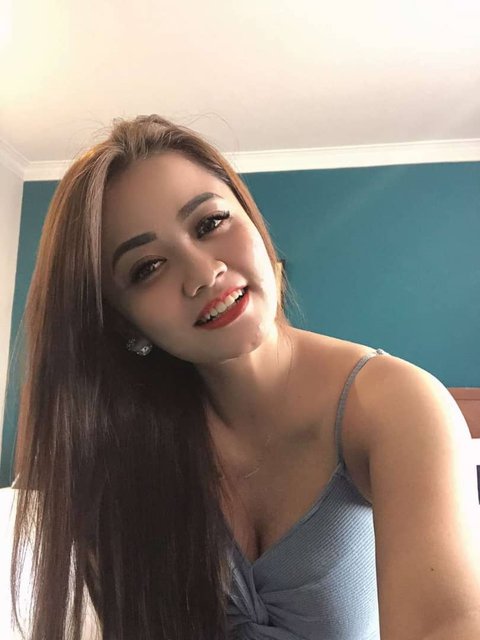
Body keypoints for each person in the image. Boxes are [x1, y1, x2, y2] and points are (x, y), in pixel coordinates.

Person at [10, 115, 480, 640]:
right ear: (124, 322)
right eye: (147, 267)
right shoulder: (117, 452)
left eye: (210, 223)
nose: (203, 273)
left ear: (252, 219)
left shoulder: (397, 406)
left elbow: (448, 623)